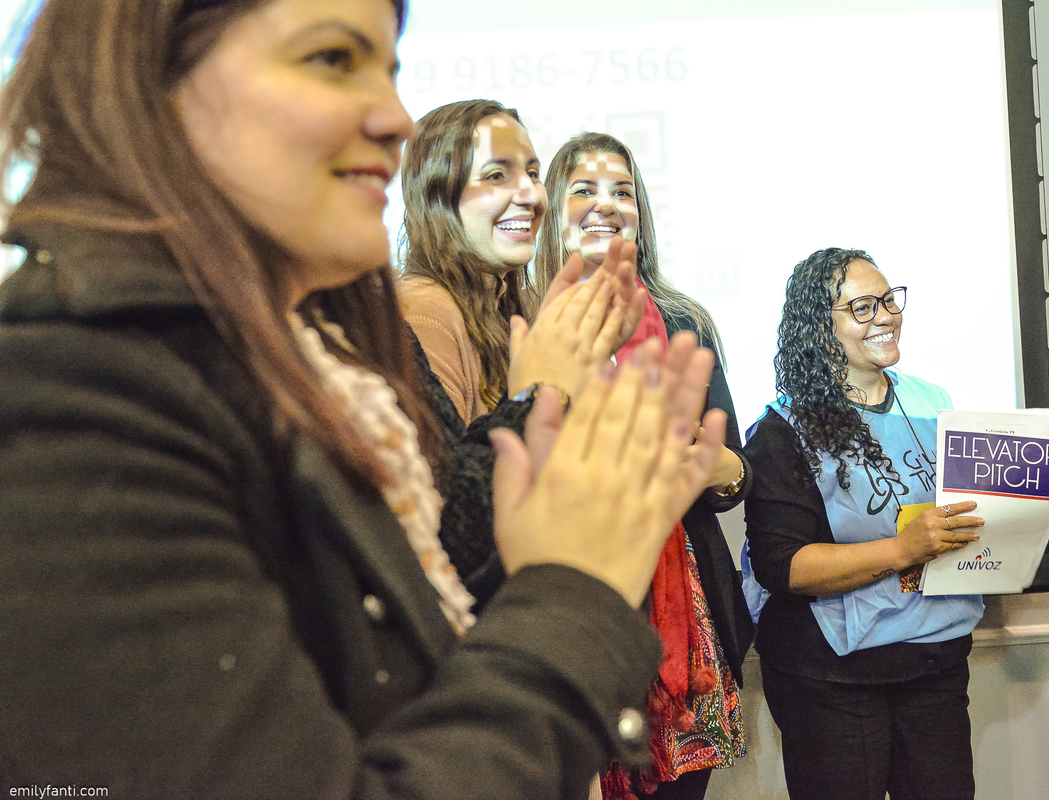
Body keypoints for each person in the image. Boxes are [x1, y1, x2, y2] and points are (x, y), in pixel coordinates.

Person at [0, 0, 729, 796]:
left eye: (388, 69)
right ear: (152, 84)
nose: (394, 118)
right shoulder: (73, 385)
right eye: (331, 60)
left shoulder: (320, 340)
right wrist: (575, 593)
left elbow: (409, 608)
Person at [533, 132, 755, 800]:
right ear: (552, 209)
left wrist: (702, 464)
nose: (606, 205)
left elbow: (737, 474)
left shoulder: (687, 320)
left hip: (686, 629)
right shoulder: (521, 320)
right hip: (568, 618)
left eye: (623, 191)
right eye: (584, 190)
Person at [742, 248, 985, 800]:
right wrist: (902, 550)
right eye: (862, 306)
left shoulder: (934, 402)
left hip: (935, 660)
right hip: (831, 679)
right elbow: (784, 568)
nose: (885, 315)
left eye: (889, 299)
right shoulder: (783, 430)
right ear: (819, 329)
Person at [397, 100, 640, 426]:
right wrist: (543, 393)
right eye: (496, 175)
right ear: (438, 196)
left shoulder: (512, 304)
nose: (532, 195)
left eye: (532, 174)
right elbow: (442, 473)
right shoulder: (427, 312)